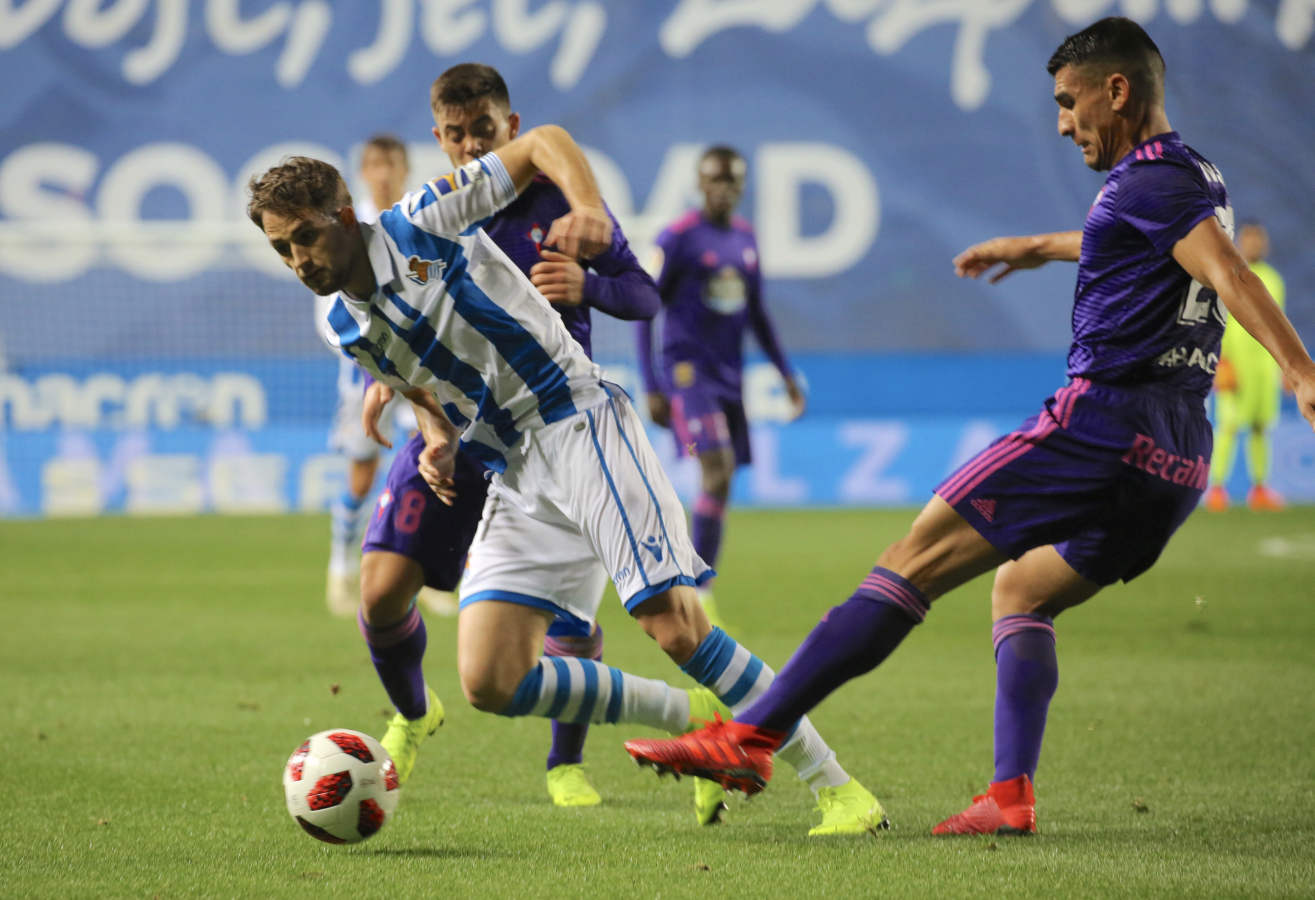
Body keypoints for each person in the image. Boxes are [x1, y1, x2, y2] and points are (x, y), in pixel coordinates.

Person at [624, 16, 1315, 836]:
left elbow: (1226, 271)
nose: (1061, 122)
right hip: (1176, 456)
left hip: (1103, 421)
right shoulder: (1189, 174)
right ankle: (1009, 796)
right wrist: (1044, 246)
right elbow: (1158, 241)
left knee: (910, 559)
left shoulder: (1149, 180)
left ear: (1116, 90)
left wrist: (1301, 371)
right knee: (1021, 588)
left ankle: (751, 735)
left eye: (1068, 102)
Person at [246, 120, 885, 835]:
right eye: (280, 249)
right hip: (511, 467)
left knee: (673, 625)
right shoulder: (338, 322)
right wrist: (432, 434)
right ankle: (694, 712)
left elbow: (544, 140)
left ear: (343, 216)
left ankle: (838, 789)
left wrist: (584, 204)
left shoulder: (423, 221)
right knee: (491, 680)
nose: (297, 259)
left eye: (304, 236)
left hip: (577, 425)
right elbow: (416, 378)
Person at [357, 63, 658, 809]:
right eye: (454, 135)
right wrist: (386, 382)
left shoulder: (559, 203)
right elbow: (403, 320)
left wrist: (590, 287)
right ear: (439, 136)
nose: (467, 147)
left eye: (481, 132)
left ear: (510, 129)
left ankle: (564, 763)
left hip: (549, 430)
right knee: (382, 589)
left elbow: (646, 295)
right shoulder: (434, 216)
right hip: (454, 424)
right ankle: (414, 714)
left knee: (571, 622)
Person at [637, 147, 804, 627]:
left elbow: (758, 314)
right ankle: (697, 585)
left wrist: (785, 375)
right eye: (713, 180)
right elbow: (646, 310)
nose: (722, 189)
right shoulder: (679, 239)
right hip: (687, 377)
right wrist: (652, 384)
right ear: (699, 182)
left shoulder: (746, 239)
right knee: (717, 464)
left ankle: (695, 578)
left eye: (731, 181)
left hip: (729, 378)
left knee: (721, 475)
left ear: (741, 186)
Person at [322, 134, 416, 616]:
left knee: (426, 464)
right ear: (362, 171)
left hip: (422, 367)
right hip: (364, 371)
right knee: (361, 476)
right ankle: (340, 568)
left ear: (405, 168)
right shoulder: (346, 229)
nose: (383, 173)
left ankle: (429, 575)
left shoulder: (419, 220)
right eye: (375, 164)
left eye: (391, 163)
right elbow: (328, 305)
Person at [1205, 220, 1289, 511]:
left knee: (1260, 428)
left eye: (1259, 240)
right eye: (1250, 239)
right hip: (1235, 366)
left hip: (1265, 369)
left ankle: (1260, 489)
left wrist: (1288, 367)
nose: (1255, 245)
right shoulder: (1230, 276)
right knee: (1227, 427)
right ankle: (1216, 489)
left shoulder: (1275, 280)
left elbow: (1280, 326)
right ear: (1240, 241)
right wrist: (1221, 360)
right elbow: (1219, 321)